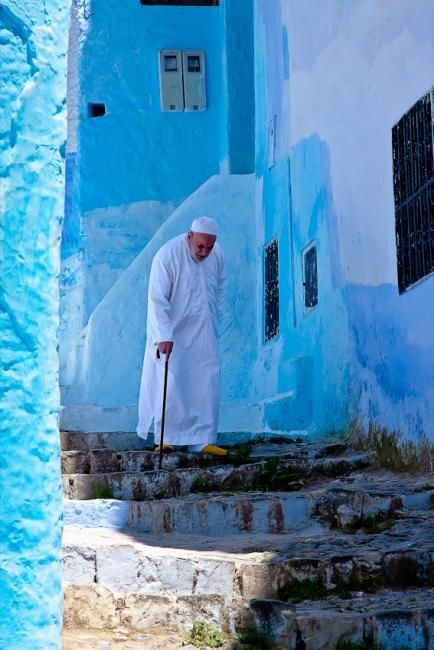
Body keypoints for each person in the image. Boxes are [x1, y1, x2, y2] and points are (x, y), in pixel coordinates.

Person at [137, 216, 227, 455]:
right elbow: (157, 300)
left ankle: (203, 439)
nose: (205, 251)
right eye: (200, 246)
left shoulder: (217, 255)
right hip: (172, 332)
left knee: (207, 379)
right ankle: (166, 438)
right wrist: (164, 334)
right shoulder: (167, 256)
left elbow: (219, 289)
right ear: (190, 236)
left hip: (203, 331)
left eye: (209, 246)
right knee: (172, 381)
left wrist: (214, 321)